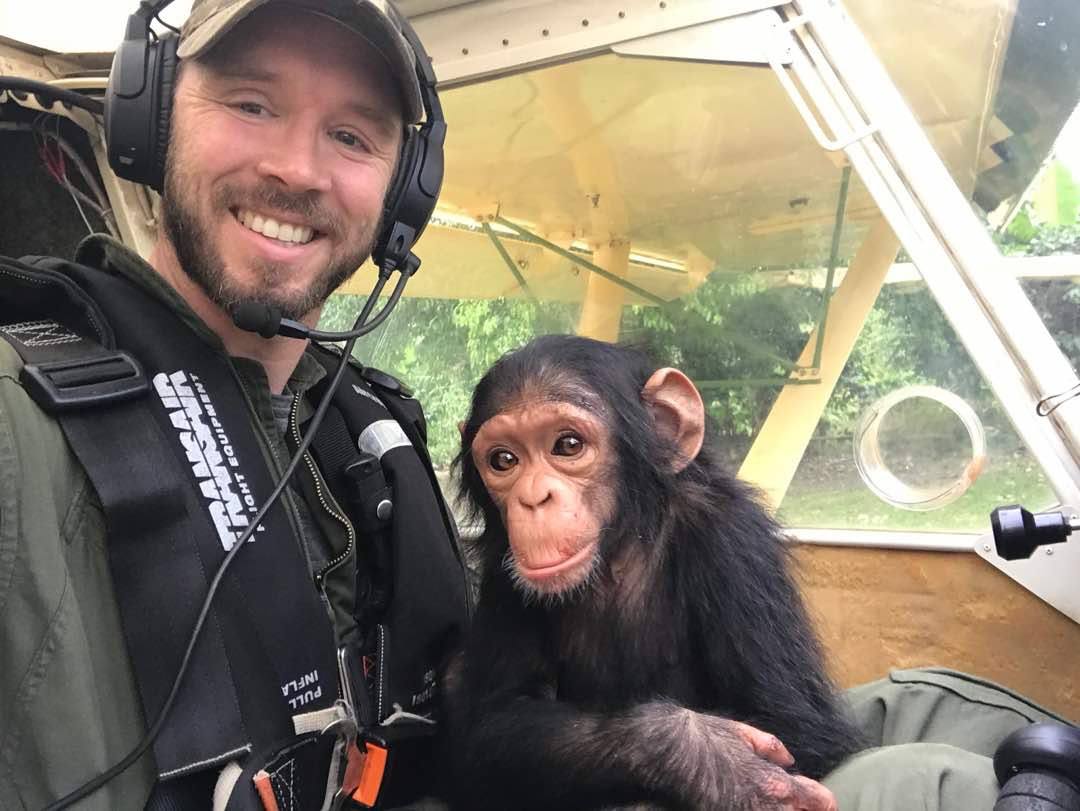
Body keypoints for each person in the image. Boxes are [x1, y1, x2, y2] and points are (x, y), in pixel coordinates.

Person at [0, 1, 469, 809]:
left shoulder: (373, 426)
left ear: (403, 196)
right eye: (253, 104)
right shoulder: (16, 420)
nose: (298, 169)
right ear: (150, 118)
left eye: (352, 136)